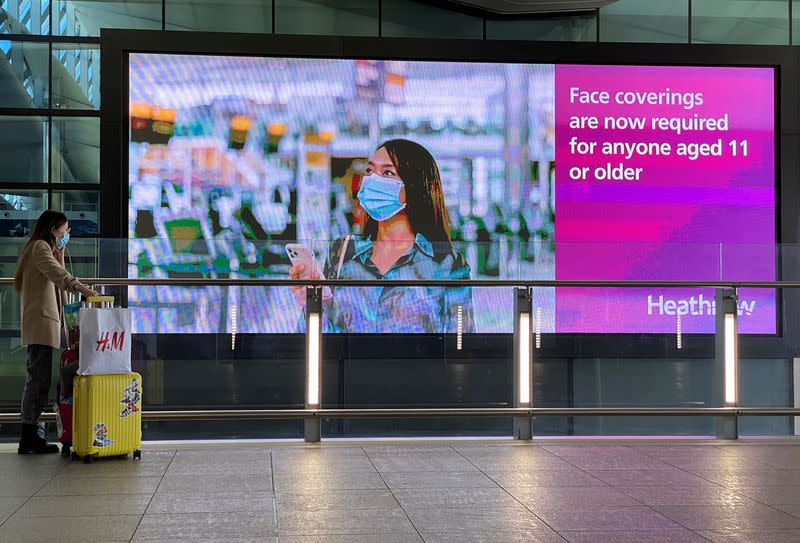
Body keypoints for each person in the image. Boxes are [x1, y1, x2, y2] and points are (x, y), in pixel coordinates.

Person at [290, 139, 474, 333]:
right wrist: (312, 303)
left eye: (387, 172)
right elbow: (314, 342)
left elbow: (462, 343)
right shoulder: (343, 253)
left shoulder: (447, 264)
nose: (372, 180)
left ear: (414, 187)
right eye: (369, 171)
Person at [14, 210, 98, 454]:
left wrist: (59, 254)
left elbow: (57, 281)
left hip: (46, 323)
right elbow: (59, 276)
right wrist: (82, 288)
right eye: (64, 230)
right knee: (37, 379)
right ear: (52, 229)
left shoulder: (44, 249)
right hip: (41, 324)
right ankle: (29, 436)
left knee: (41, 379)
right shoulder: (40, 247)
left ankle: (31, 434)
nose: (66, 234)